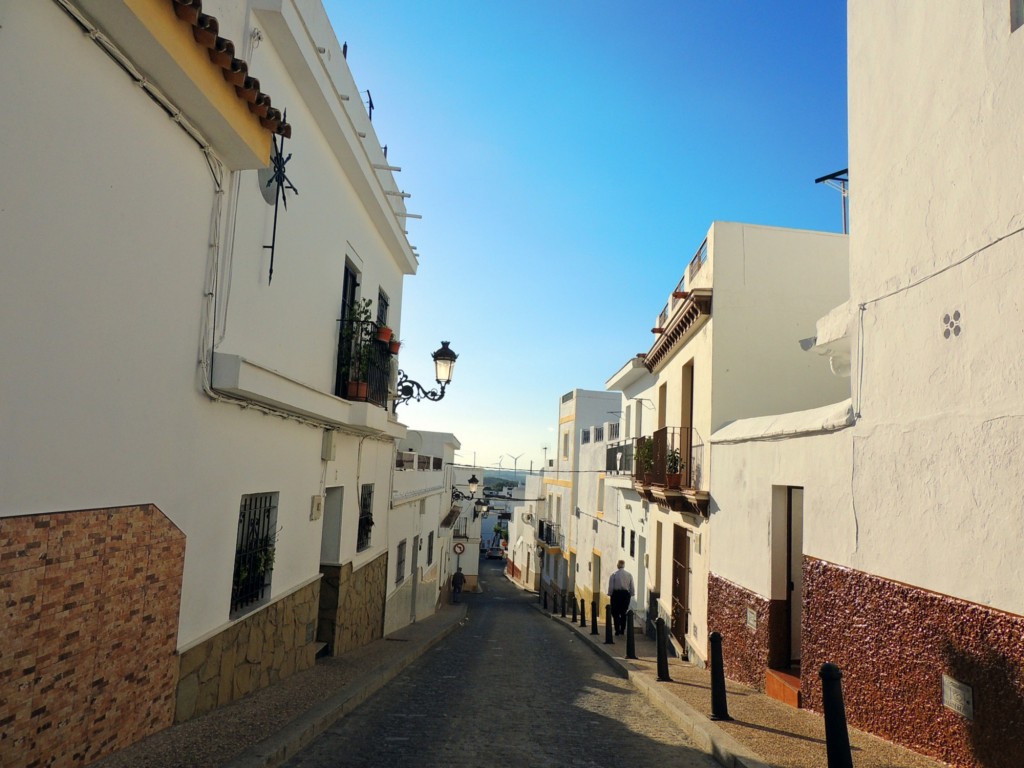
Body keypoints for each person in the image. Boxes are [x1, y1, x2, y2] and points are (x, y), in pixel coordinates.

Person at [607, 560, 635, 635]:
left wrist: (610, 594)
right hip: (625, 595)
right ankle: (622, 629)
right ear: (624, 565)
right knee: (623, 612)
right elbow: (631, 586)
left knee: (615, 612)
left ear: (618, 565)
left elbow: (611, 586)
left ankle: (617, 629)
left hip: (616, 594)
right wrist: (631, 594)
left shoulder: (614, 575)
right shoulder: (629, 575)